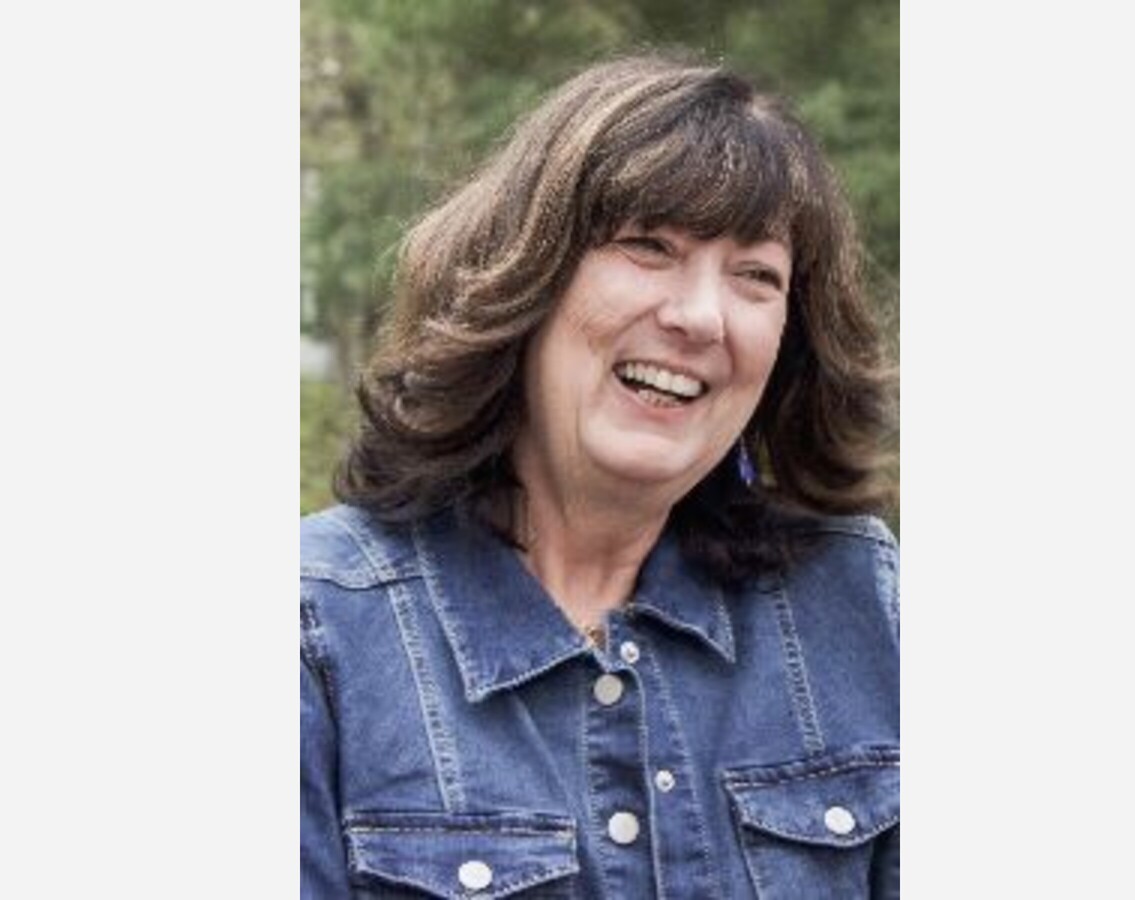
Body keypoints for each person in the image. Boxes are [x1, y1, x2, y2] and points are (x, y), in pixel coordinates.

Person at [301, 53, 898, 899]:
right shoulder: (320, 630)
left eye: (756, 276)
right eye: (649, 246)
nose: (700, 316)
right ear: (523, 277)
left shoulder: (859, 603)